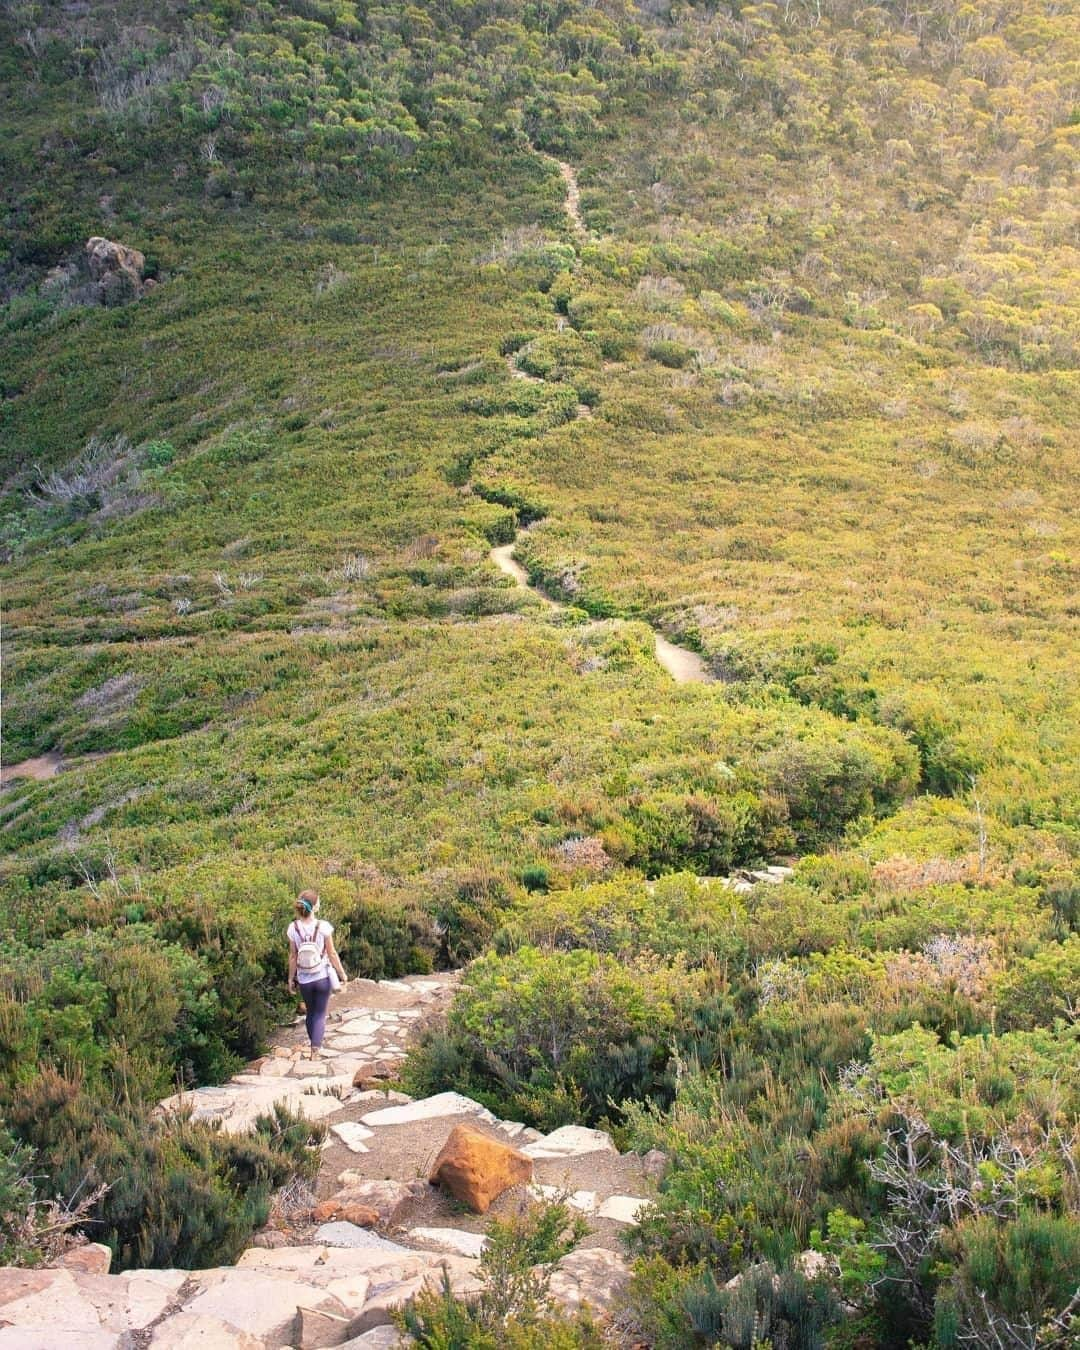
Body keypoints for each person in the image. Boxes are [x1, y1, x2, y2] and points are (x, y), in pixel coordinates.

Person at [286, 890, 347, 1059]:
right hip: (322, 977)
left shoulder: (293, 928)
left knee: (311, 1013)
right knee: (320, 1014)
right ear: (314, 906)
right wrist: (342, 974)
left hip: (304, 978)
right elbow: (332, 953)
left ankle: (314, 1042)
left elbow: (293, 956)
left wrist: (291, 978)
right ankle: (316, 1049)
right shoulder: (323, 926)